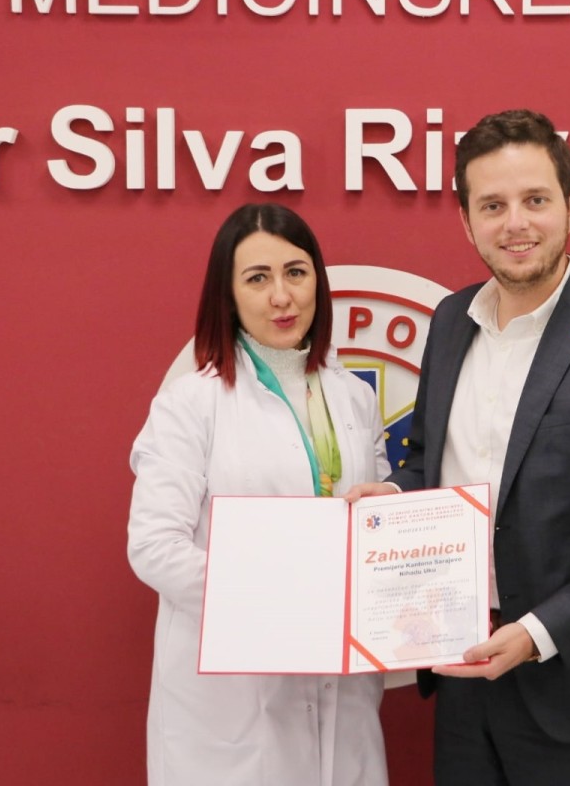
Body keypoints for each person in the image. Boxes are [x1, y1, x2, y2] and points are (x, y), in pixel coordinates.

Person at [348, 110, 570, 785]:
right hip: (463, 671)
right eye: (493, 205)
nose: (516, 223)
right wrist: (391, 495)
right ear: (466, 220)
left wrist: (537, 633)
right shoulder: (451, 321)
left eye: (535, 200)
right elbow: (429, 459)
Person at [127, 203, 391, 786]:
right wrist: (278, 596)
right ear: (227, 295)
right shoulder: (191, 404)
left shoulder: (354, 397)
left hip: (341, 691)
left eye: (296, 273)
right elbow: (154, 548)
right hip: (232, 710)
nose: (281, 296)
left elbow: (370, 520)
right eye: (257, 278)